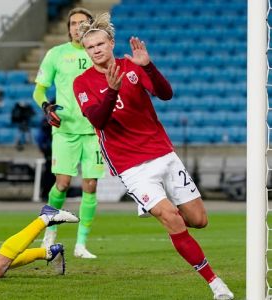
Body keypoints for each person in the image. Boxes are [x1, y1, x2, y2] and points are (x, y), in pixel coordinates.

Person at [72, 13, 234, 300]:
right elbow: (98, 120)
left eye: (100, 43)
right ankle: (215, 283)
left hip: (162, 153)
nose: (96, 50)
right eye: (90, 47)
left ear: (111, 43)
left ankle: (156, 204)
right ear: (86, 50)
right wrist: (111, 91)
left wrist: (149, 66)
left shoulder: (132, 67)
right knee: (172, 217)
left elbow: (166, 93)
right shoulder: (82, 83)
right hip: (131, 166)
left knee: (198, 220)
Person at [33, 7, 105, 259]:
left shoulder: (99, 53)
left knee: (91, 185)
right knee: (62, 184)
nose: (77, 27)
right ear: (68, 28)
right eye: (73, 23)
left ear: (90, 26)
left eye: (82, 23)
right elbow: (39, 90)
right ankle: (49, 232)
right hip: (65, 130)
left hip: (94, 130)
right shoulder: (56, 54)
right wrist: (45, 106)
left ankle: (81, 244)